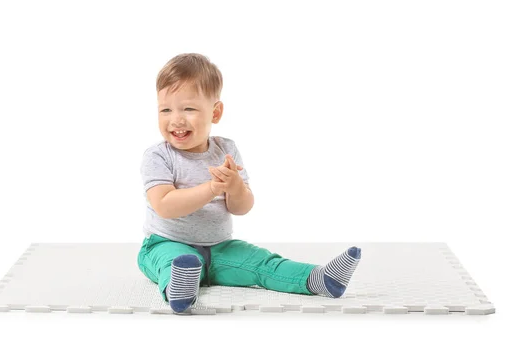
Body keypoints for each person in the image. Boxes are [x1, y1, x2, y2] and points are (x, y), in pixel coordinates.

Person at [138, 53, 362, 313]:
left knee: (262, 263)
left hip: (220, 247)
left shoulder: (226, 150)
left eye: (188, 109)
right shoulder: (158, 156)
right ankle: (179, 290)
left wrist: (235, 187)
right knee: (174, 262)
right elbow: (164, 205)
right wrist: (211, 188)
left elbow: (241, 207)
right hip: (165, 243)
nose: (175, 119)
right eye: (165, 110)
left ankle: (319, 278)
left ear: (216, 112)